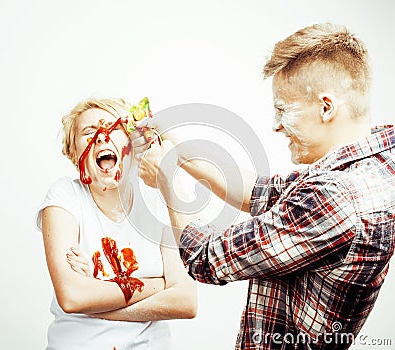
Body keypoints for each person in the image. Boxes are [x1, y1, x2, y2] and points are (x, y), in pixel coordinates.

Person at [134, 23, 395, 349]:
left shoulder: (337, 198)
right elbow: (262, 192)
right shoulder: (375, 162)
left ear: (326, 107)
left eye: (282, 110)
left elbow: (205, 257)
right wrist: (180, 151)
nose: (275, 125)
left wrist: (167, 181)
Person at [36, 97, 197, 350]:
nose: (101, 136)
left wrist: (97, 301)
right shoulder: (65, 196)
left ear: (133, 144)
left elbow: (186, 301)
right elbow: (72, 297)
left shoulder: (158, 198)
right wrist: (160, 283)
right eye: (88, 132)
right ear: (73, 152)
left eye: (113, 129)